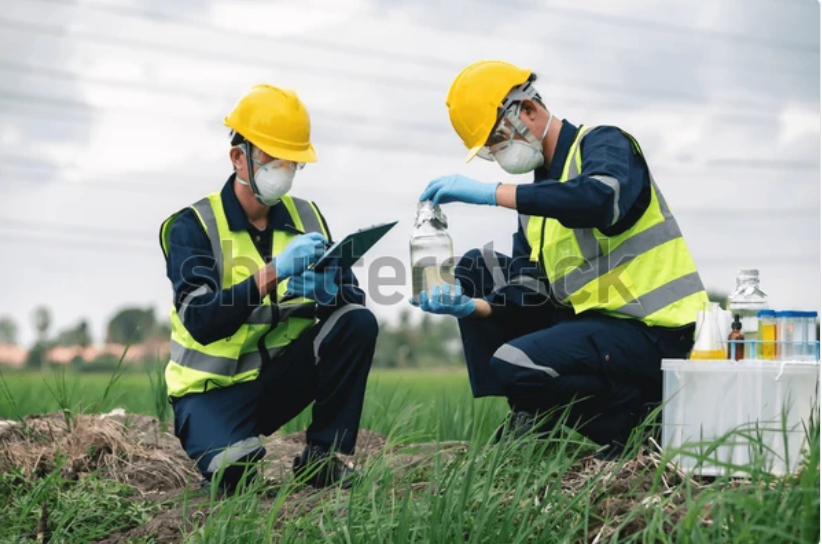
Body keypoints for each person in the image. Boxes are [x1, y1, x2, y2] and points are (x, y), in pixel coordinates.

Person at [411, 60, 707, 455]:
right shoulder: (534, 202)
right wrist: (472, 308)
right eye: (490, 150)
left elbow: (599, 199)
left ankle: (636, 424)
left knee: (514, 363)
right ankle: (530, 412)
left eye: (499, 138)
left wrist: (491, 193)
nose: (500, 153)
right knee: (474, 268)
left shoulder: (603, 144)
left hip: (659, 333)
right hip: (600, 331)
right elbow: (529, 299)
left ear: (529, 111)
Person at [159, 84, 378, 490]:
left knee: (357, 321)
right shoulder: (193, 226)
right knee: (234, 478)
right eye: (271, 157)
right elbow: (202, 321)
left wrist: (331, 292)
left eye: (292, 161)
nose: (283, 169)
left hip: (277, 383)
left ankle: (321, 458)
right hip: (210, 395)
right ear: (238, 157)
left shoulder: (308, 218)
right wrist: (272, 273)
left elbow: (352, 309)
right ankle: (228, 451)